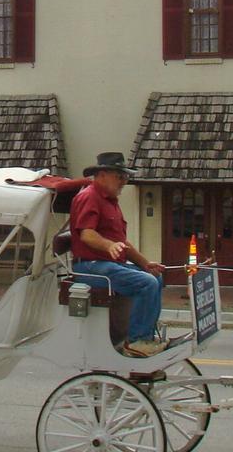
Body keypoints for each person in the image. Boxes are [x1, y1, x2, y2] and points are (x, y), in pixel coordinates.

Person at [70, 152, 166, 357]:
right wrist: (108, 246)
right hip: (89, 266)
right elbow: (87, 234)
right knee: (146, 283)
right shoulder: (89, 197)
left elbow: (121, 243)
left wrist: (145, 263)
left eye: (125, 177)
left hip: (106, 265)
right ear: (102, 175)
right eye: (119, 176)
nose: (124, 181)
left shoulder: (110, 201)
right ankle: (137, 341)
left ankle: (145, 336)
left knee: (155, 278)